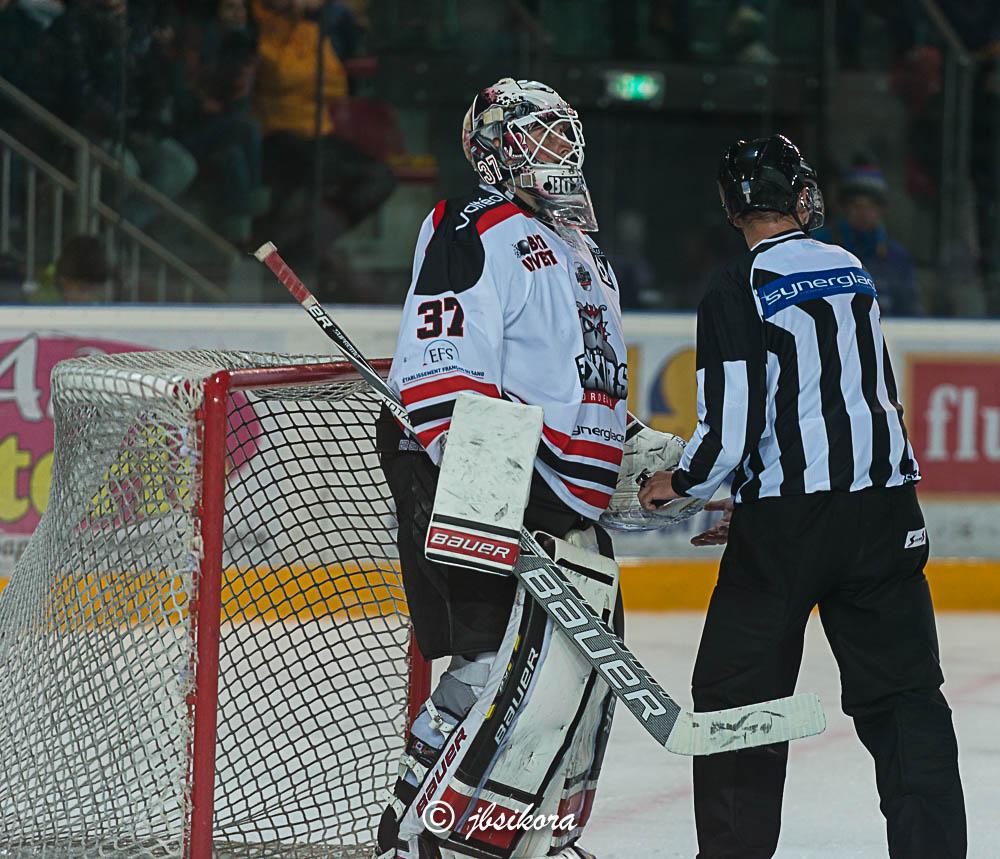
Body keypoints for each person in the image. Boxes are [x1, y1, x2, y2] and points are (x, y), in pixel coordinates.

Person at [638, 134, 966, 859]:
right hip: (885, 511)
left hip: (787, 527)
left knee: (736, 699)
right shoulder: (851, 269)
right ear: (799, 195)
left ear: (732, 208)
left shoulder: (736, 284)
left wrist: (679, 487)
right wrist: (758, 497)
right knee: (906, 698)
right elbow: (847, 400)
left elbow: (730, 427)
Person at [375, 78, 633, 859]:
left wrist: (643, 463)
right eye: (539, 133)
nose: (562, 148)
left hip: (544, 487)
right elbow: (444, 370)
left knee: (560, 678)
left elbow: (584, 391)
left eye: (564, 132)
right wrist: (490, 497)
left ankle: (519, 839)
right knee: (494, 665)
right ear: (494, 149)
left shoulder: (586, 251)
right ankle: (411, 835)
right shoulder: (472, 224)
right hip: (472, 462)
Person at [814, 159, 922, 316]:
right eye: (856, 205)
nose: (863, 213)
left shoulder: (897, 258)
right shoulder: (820, 248)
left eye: (870, 206)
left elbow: (911, 313)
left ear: (881, 209)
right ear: (844, 207)